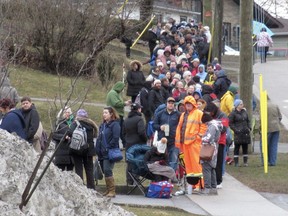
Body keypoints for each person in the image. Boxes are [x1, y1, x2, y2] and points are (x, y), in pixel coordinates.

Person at [175, 96, 207, 190]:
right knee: (188, 166)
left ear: (193, 104)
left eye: (190, 104)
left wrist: (198, 137)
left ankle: (199, 185)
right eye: (187, 104)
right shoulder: (183, 115)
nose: (188, 106)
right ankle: (191, 184)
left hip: (194, 143)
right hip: (185, 143)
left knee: (196, 165)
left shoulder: (199, 113)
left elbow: (204, 126)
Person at [68, 109, 98, 190]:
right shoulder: (91, 125)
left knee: (79, 169)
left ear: (78, 116)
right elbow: (94, 136)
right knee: (89, 170)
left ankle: (80, 188)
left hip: (77, 149)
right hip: (89, 150)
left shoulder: (76, 123)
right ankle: (91, 188)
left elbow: (70, 132)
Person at [96, 107, 120, 197]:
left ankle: (112, 191)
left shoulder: (115, 125)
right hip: (101, 152)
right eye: (103, 113)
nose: (104, 114)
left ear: (111, 114)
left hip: (109, 152)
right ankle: (108, 190)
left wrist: (108, 147)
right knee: (104, 171)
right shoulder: (102, 125)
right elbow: (99, 138)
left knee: (107, 169)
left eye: (106, 113)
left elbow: (115, 138)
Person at [204, 102, 229, 189]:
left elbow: (224, 129)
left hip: (220, 142)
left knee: (218, 162)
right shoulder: (212, 116)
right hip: (210, 141)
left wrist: (213, 126)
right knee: (209, 162)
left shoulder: (223, 116)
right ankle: (210, 180)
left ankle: (218, 180)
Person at [153, 97, 180, 170]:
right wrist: (160, 127)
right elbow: (154, 125)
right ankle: (163, 177)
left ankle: (171, 176)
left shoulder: (178, 114)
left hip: (174, 140)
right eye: (169, 103)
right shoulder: (160, 113)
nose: (171, 105)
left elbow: (181, 126)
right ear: (166, 104)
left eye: (172, 103)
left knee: (173, 160)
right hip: (162, 140)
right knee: (161, 159)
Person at [123, 103, 147, 185]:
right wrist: (145, 140)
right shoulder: (139, 119)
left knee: (129, 162)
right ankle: (136, 179)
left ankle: (129, 181)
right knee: (137, 161)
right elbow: (141, 132)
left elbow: (123, 132)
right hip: (137, 144)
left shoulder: (126, 119)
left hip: (128, 143)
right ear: (138, 109)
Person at [200, 112, 222, 195]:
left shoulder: (212, 126)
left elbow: (208, 138)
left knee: (206, 168)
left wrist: (202, 137)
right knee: (212, 168)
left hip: (209, 150)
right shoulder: (216, 125)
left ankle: (207, 188)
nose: (205, 125)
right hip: (214, 149)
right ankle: (213, 188)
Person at [106, 81, 131, 149]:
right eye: (122, 88)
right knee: (116, 131)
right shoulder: (112, 93)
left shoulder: (117, 93)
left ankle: (125, 145)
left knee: (122, 131)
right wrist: (125, 103)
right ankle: (115, 146)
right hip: (115, 115)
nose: (122, 90)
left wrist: (125, 102)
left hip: (120, 114)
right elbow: (115, 103)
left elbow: (119, 102)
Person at [229, 99, 251, 167]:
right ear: (237, 105)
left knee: (245, 147)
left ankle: (245, 162)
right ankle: (236, 162)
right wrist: (236, 130)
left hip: (245, 132)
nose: (242, 105)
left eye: (242, 104)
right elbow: (230, 123)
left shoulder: (245, 112)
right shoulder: (233, 113)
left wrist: (249, 128)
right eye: (241, 104)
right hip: (238, 133)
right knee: (237, 148)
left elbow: (248, 120)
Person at [260, 100, 282, 166]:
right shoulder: (275, 105)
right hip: (276, 127)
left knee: (263, 145)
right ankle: (272, 162)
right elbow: (280, 117)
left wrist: (260, 128)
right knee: (273, 145)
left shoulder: (263, 106)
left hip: (267, 128)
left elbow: (261, 118)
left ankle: (264, 162)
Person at [53, 107, 75, 171]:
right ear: (62, 113)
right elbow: (54, 135)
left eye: (68, 112)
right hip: (61, 152)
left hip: (71, 153)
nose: (67, 114)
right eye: (65, 112)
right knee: (60, 172)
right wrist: (64, 137)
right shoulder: (58, 123)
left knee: (71, 174)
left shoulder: (74, 123)